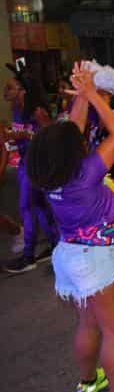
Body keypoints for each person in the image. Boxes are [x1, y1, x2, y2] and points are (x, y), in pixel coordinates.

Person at [26, 62, 114, 392]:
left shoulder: (50, 174)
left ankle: (87, 383)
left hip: (69, 256)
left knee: (87, 325)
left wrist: (83, 95)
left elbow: (70, 134)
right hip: (99, 259)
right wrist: (95, 98)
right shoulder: (86, 173)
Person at [3, 72, 55, 273]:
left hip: (37, 165)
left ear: (23, 90)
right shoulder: (17, 108)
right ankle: (54, 244)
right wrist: (13, 137)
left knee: (27, 207)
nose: (6, 91)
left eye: (10, 88)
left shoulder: (37, 111)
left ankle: (28, 255)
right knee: (39, 206)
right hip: (25, 161)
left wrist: (26, 134)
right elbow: (20, 134)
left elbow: (52, 137)